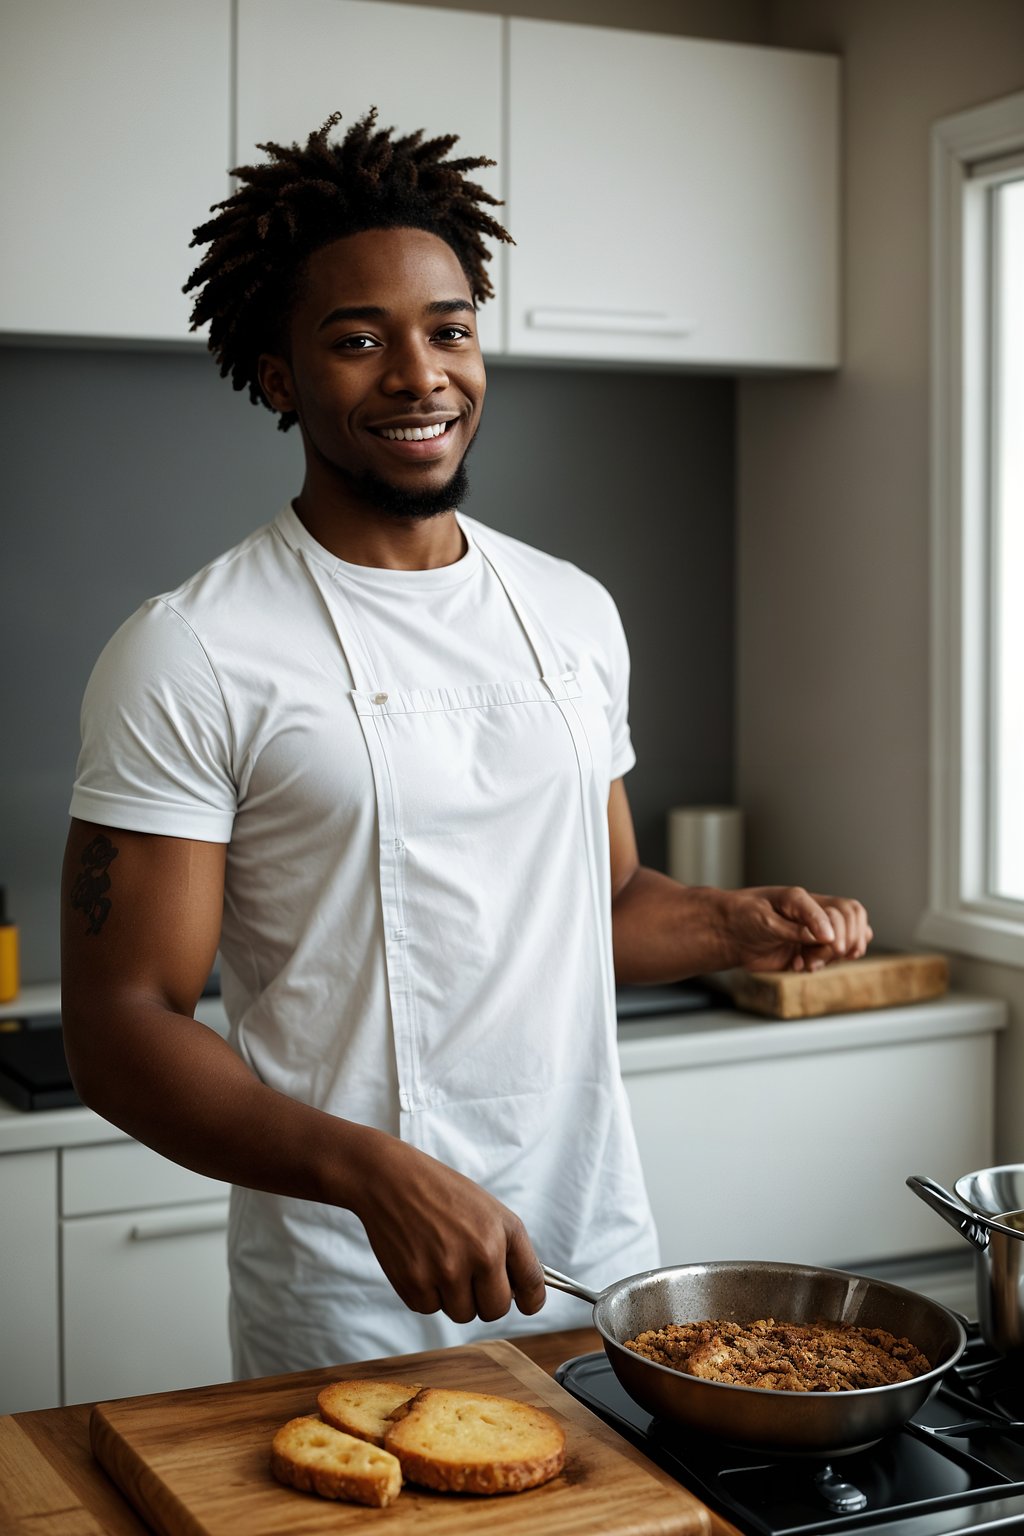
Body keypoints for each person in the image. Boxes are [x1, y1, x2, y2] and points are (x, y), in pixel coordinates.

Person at [60, 110, 872, 1379]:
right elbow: (119, 1025)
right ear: (278, 378)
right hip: (348, 1280)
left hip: (591, 1251)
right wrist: (374, 1175)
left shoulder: (569, 612)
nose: (419, 374)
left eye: (448, 329)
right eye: (357, 340)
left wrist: (729, 926)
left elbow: (598, 905)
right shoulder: (191, 651)